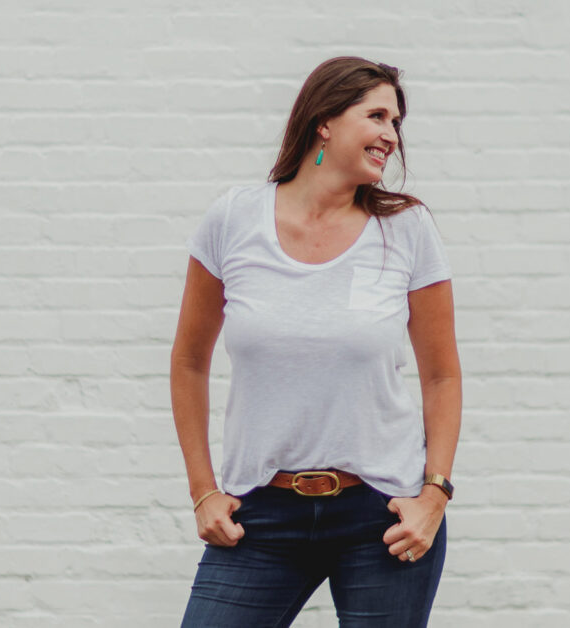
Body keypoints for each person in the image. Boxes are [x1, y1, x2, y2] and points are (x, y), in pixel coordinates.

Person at [171, 56, 462, 627]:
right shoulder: (234, 219)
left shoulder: (406, 229)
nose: (390, 135)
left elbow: (441, 376)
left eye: (396, 123)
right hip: (262, 514)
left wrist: (434, 496)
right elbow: (188, 361)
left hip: (383, 514)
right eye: (376, 115)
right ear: (324, 119)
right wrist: (204, 491)